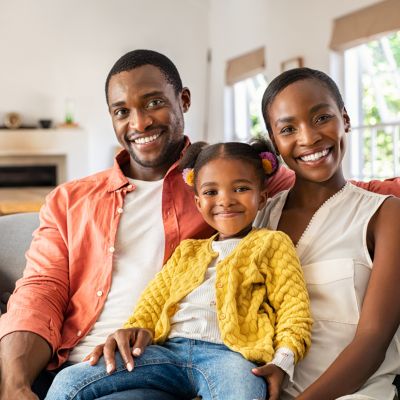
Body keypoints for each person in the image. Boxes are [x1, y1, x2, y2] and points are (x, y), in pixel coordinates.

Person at [0, 49, 398, 400]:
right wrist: (14, 382)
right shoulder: (71, 200)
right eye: (122, 111)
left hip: (210, 360)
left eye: (154, 102)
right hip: (103, 356)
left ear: (183, 100)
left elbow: (332, 185)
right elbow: (40, 291)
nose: (139, 122)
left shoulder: (233, 182)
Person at [45, 140, 312, 400]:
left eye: (240, 189)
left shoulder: (272, 243)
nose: (225, 200)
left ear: (262, 197)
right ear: (197, 202)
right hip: (167, 354)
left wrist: (283, 361)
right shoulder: (188, 251)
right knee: (68, 381)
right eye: (211, 192)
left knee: (243, 394)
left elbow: (293, 308)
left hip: (231, 356)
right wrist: (135, 328)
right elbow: (153, 301)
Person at [251, 67, 400, 399]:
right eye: (288, 128)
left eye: (321, 118)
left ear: (345, 119)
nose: (308, 138)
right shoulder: (259, 219)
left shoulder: (385, 214)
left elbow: (374, 339)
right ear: (275, 142)